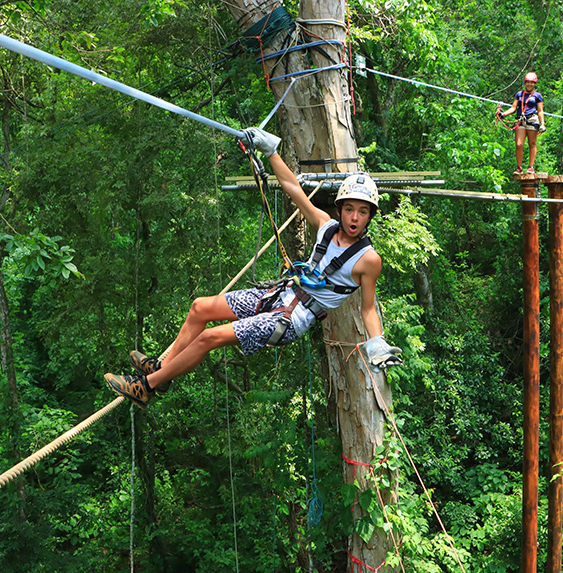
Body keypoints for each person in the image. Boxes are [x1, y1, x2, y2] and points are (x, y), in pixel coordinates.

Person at [105, 127, 403, 407]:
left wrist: (376, 342)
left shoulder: (368, 259)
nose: (354, 217)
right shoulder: (326, 226)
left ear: (369, 217)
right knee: (200, 308)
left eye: (362, 212)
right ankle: (163, 369)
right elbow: (292, 188)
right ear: (339, 209)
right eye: (349, 209)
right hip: (279, 294)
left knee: (210, 337)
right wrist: (271, 151)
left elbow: (367, 309)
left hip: (293, 317)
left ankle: (147, 387)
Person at [497, 72, 545, 175]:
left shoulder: (537, 95)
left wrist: (542, 124)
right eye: (528, 82)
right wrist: (503, 114)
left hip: (532, 120)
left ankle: (530, 167)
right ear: (525, 83)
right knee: (519, 144)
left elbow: (540, 110)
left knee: (532, 144)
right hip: (521, 121)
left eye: (532, 83)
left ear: (534, 84)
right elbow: (514, 107)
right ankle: (519, 168)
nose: (530, 84)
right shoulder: (519, 94)